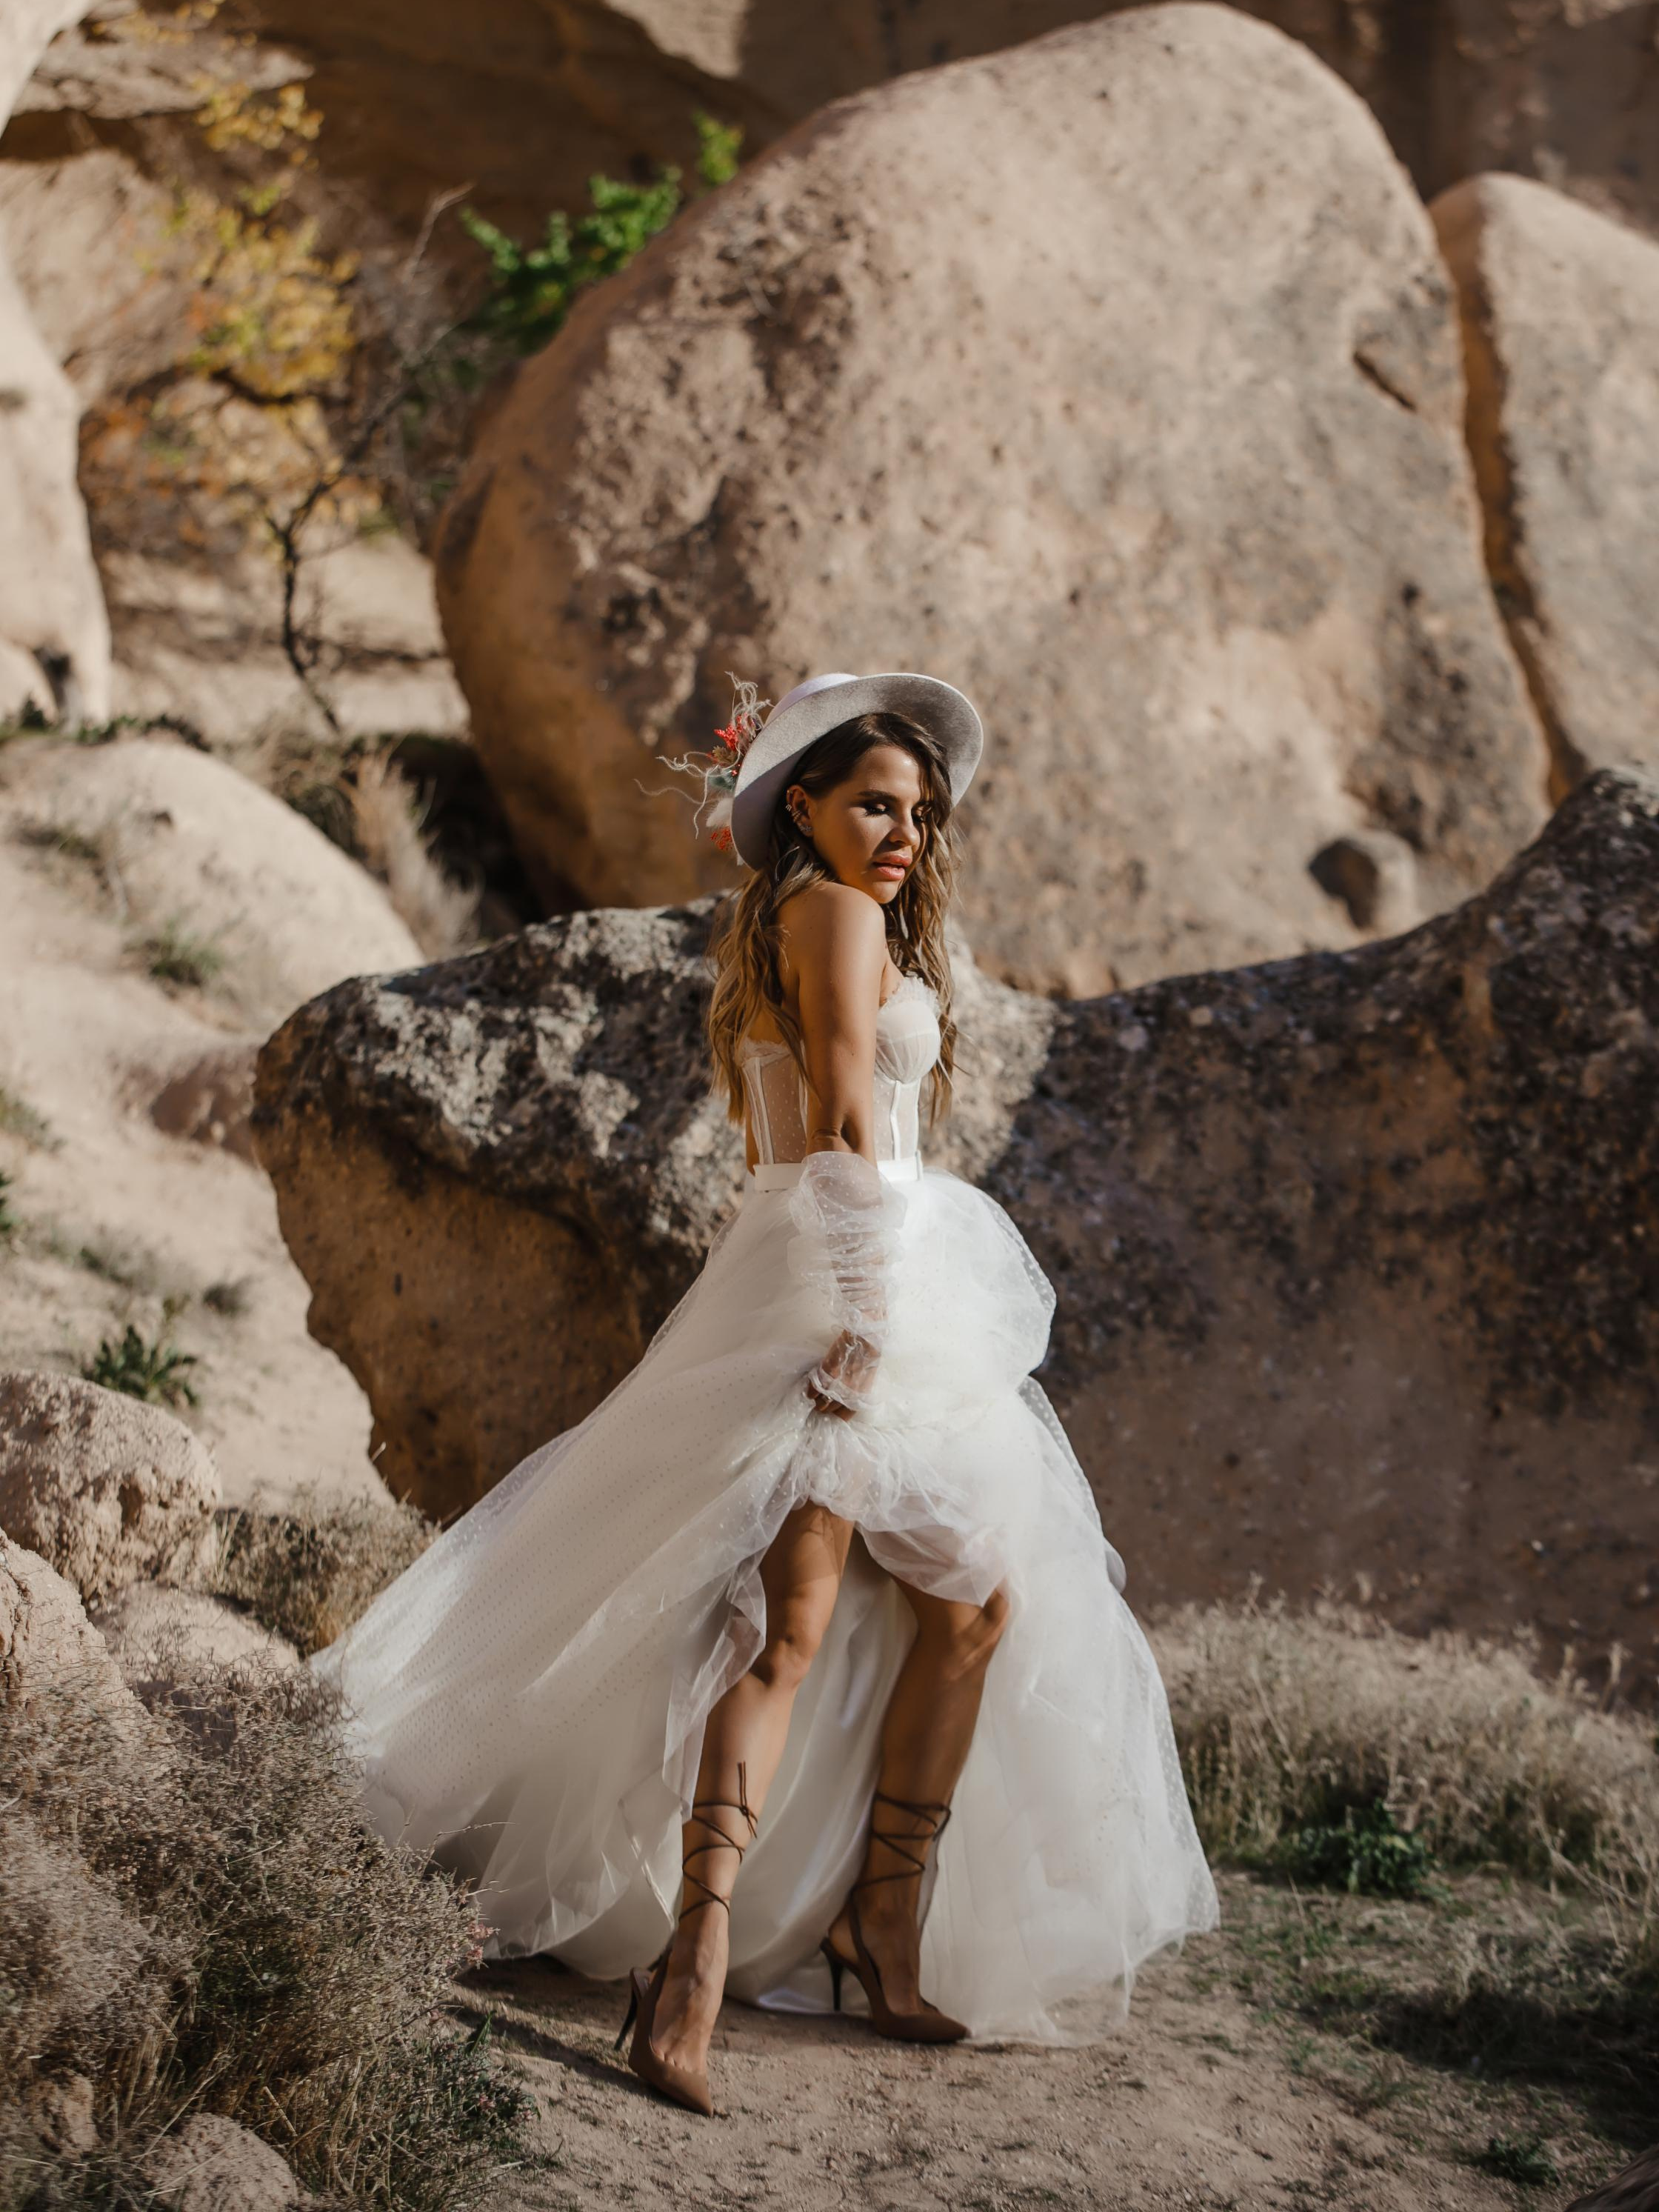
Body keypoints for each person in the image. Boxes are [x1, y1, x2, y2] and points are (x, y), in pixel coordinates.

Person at [312, 669, 1218, 2116]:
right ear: (800, 802)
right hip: (854, 1272)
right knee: (797, 1625)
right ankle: (701, 1969)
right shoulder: (834, 911)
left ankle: (869, 1926)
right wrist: (863, 1321)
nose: (904, 831)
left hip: (861, 1256)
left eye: (920, 811)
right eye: (874, 802)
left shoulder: (809, 916)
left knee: (954, 1604)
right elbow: (853, 1115)